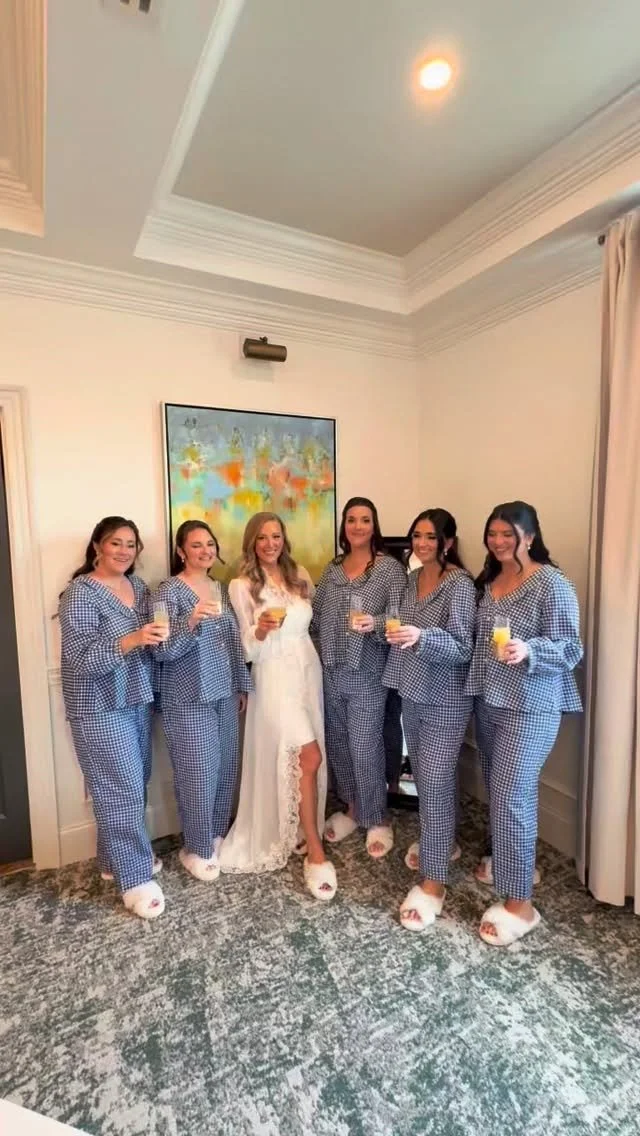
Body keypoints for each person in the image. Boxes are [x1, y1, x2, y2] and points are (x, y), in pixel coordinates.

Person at [467, 501, 583, 947]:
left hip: (531, 705)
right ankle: (512, 863)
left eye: (508, 534)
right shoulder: (491, 581)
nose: (498, 541)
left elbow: (571, 648)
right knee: (502, 791)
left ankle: (521, 905)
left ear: (529, 537)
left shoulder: (551, 583)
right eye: (492, 533)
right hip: (490, 701)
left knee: (512, 796)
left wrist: (530, 649)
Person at [219, 512, 337, 901]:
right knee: (307, 755)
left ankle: (300, 828)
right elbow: (244, 647)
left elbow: (310, 624)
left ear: (283, 539)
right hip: (272, 674)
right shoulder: (241, 586)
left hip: (306, 670)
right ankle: (315, 850)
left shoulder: (298, 575)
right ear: (251, 543)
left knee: (306, 758)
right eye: (262, 537)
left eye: (276, 536)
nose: (270, 543)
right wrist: (260, 630)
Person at [58, 516, 166, 920]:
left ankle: (112, 860)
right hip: (97, 705)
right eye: (115, 543)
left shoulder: (138, 587)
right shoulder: (80, 594)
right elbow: (81, 660)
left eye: (131, 544)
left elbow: (154, 639)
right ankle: (134, 879)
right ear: (97, 547)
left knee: (133, 783)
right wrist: (134, 638)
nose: (124, 551)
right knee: (121, 789)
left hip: (135, 697)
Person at [382, 509, 475, 931]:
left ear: (447, 542)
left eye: (431, 537)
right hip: (412, 691)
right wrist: (391, 630)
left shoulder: (459, 584)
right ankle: (444, 843)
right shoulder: (411, 578)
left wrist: (422, 637)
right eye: (417, 536)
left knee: (433, 782)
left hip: (446, 697)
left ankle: (434, 883)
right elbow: (400, 623)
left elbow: (462, 647)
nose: (421, 543)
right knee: (428, 777)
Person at [154, 521, 251, 882]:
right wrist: (191, 621)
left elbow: (233, 642)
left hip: (224, 691)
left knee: (225, 766)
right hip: (187, 695)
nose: (205, 551)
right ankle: (195, 847)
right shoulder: (167, 591)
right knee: (197, 773)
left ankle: (215, 834)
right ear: (181, 551)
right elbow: (161, 649)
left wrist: (241, 686)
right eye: (196, 545)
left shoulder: (220, 588)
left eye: (210, 544)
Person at [313, 497, 407, 858]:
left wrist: (376, 623)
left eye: (365, 520)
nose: (357, 526)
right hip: (331, 670)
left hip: (368, 671)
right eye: (351, 519)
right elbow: (316, 616)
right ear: (344, 525)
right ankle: (353, 807)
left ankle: (377, 816)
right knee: (338, 742)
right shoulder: (333, 569)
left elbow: (399, 619)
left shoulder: (389, 570)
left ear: (374, 525)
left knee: (364, 745)